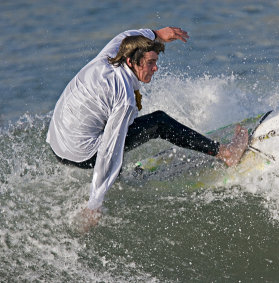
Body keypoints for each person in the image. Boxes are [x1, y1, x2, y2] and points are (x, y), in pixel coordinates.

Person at [46, 27, 248, 232]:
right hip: (81, 154)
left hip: (57, 141)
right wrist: (94, 203)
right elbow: (109, 151)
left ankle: (118, 177)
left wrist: (157, 33)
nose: (156, 69)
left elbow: (124, 36)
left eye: (155, 62)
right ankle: (227, 153)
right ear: (131, 62)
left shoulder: (110, 55)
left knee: (110, 120)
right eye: (150, 63)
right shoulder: (123, 98)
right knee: (158, 122)